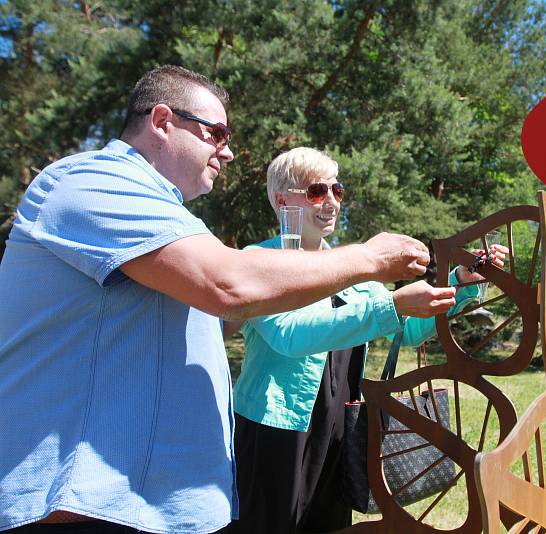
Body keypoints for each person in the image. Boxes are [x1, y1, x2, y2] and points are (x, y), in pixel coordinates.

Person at [0, 66, 442, 534]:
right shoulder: (94, 180)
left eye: (337, 189)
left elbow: (208, 318)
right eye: (217, 133)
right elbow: (231, 288)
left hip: (154, 504)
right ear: (163, 121)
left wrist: (460, 285)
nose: (228, 152)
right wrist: (372, 260)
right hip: (84, 506)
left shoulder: (175, 222)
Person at [229, 147, 506, 533]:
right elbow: (289, 336)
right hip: (277, 427)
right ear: (282, 200)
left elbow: (405, 329)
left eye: (337, 191)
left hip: (341, 424)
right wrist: (390, 303)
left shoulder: (352, 268)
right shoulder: (257, 260)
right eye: (317, 191)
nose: (331, 202)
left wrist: (458, 285)